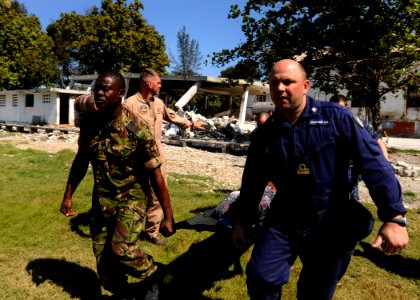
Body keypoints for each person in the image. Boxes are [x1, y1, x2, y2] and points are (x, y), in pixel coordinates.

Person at [232, 59, 409, 300]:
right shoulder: (266, 133)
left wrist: (394, 216)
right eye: (274, 83)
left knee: (315, 290)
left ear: (305, 86)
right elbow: (252, 180)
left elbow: (374, 164)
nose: (280, 88)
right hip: (285, 218)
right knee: (261, 275)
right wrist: (243, 221)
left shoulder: (336, 118)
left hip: (332, 220)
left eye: (288, 82)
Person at [60, 71, 175, 298]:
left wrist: (168, 215)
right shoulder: (90, 124)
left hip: (131, 200)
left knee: (121, 250)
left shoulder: (137, 129)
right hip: (102, 202)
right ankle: (125, 293)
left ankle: (158, 276)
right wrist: (68, 195)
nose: (99, 93)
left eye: (105, 89)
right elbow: (81, 160)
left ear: (120, 93)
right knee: (105, 269)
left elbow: (156, 174)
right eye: (97, 89)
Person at [73, 68, 206, 245]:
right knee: (134, 193)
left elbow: (172, 117)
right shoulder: (130, 103)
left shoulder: (158, 103)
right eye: (158, 83)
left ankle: (152, 231)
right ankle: (122, 228)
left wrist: (190, 123)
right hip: (133, 157)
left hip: (156, 155)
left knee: (157, 193)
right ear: (149, 84)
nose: (160, 85)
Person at [329, 94, 389, 202]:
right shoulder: (326, 125)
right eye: (334, 109)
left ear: (346, 107)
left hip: (351, 172)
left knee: (351, 202)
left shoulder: (359, 123)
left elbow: (378, 140)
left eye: (340, 108)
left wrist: (385, 164)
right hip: (330, 173)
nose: (336, 112)